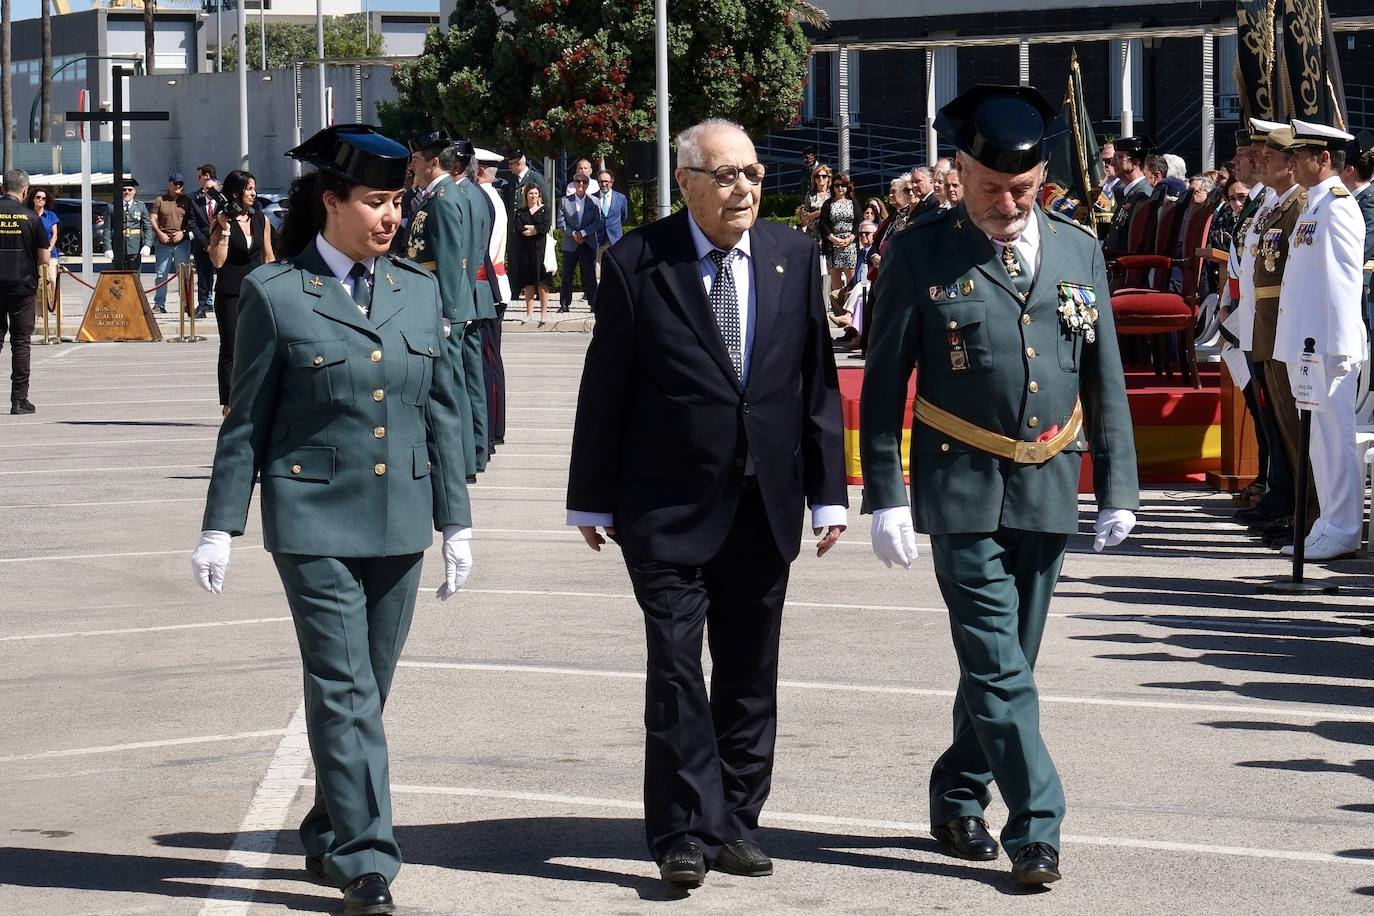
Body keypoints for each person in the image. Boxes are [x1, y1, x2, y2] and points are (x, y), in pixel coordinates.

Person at [860, 84, 1139, 888]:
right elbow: (884, 384)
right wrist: (886, 494)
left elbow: (1102, 373)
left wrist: (1117, 484)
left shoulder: (1079, 247)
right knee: (997, 660)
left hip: (1049, 479)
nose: (1008, 203)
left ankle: (955, 795)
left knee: (1006, 662)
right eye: (991, 189)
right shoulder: (921, 251)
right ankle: (1037, 827)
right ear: (962, 171)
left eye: (1022, 189)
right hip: (960, 485)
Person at [191, 125, 472, 916]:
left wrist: (458, 521)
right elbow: (245, 419)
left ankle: (325, 826)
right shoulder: (277, 294)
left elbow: (442, 412)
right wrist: (222, 524)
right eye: (376, 203)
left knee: (364, 690)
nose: (392, 218)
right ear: (330, 203)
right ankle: (366, 858)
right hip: (312, 519)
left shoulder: (418, 288)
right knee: (344, 684)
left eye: (398, 203)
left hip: (402, 520)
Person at [566, 118, 847, 887]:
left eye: (753, 173)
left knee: (751, 673)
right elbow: (607, 387)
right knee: (678, 670)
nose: (744, 189)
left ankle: (735, 822)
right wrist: (588, 498)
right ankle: (681, 831)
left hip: (766, 502)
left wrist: (831, 494)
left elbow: (815, 382)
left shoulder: (794, 255)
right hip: (663, 507)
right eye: (725, 176)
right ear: (685, 181)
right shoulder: (635, 262)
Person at [1273, 120, 1368, 561]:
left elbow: (1344, 282)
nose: (1292, 162)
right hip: (1308, 341)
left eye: (1299, 156)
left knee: (1335, 435)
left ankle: (1345, 525)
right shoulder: (1315, 205)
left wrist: (1341, 345)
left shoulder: (1338, 206)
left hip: (1328, 344)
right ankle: (1330, 520)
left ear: (1324, 159)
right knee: (1318, 438)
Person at [1237, 121, 1309, 550]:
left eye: (1270, 157)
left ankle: (1296, 506)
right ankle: (1283, 495)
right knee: (1274, 419)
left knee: (1291, 424)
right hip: (1260, 323)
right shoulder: (1270, 207)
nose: (1260, 161)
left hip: (1281, 325)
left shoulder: (1299, 206)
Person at [408, 130, 480, 481]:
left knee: (451, 387)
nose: (412, 166)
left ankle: (461, 463)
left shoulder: (446, 198)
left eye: (416, 160)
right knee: (449, 385)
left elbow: (452, 259)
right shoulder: (436, 196)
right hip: (435, 300)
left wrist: (449, 312)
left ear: (432, 163)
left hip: (444, 305)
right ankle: (460, 460)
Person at [207, 169, 274, 415]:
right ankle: (230, 402)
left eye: (254, 188)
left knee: (261, 344)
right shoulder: (221, 221)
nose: (253, 193)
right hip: (230, 292)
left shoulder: (260, 219)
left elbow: (268, 255)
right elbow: (217, 261)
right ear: (235, 192)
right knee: (232, 346)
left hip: (256, 291)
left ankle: (258, 395)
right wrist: (224, 230)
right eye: (248, 189)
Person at [446, 141, 493, 473]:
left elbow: (458, 254)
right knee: (474, 375)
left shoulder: (461, 195)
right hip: (476, 290)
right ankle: (479, 445)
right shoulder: (477, 194)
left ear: (457, 166)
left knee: (463, 376)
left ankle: (472, 451)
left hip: (464, 292)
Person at [0, 169, 50, 415]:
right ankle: (19, 400)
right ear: (25, 191)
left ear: (2, 189)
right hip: (22, 287)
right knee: (21, 343)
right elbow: (43, 257)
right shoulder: (31, 217)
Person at [475, 148, 511, 452]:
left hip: (488, 286)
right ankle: (495, 426)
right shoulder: (493, 197)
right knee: (492, 360)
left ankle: (490, 427)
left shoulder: (483, 199)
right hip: (495, 283)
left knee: (487, 363)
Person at [1340, 131, 1374, 330]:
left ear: (1350, 170)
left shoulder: (1368, 200)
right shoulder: (1353, 200)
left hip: (1363, 286)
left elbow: (1365, 246)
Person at [557, 174, 601, 313]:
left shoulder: (594, 201)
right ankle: (564, 303)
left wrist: (583, 233)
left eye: (584, 182)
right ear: (574, 183)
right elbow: (561, 222)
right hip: (571, 242)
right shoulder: (565, 201)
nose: (581, 184)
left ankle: (593, 303)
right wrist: (574, 234)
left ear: (588, 184)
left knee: (589, 275)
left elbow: (597, 222)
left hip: (588, 242)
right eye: (578, 181)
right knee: (567, 274)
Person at [151, 172, 193, 314]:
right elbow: (153, 218)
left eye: (180, 184)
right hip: (163, 243)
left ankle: (186, 304)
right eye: (175, 183)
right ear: (169, 184)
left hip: (182, 243)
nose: (178, 186)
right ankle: (159, 304)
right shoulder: (160, 200)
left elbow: (192, 221)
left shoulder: (187, 200)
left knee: (184, 275)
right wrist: (159, 233)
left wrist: (183, 233)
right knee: (161, 275)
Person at [1103, 135, 1153, 253]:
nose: (1113, 163)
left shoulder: (1143, 195)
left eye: (1119, 157)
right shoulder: (1130, 194)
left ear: (1135, 163)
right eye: (1114, 157)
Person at [188, 164, 220, 319]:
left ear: (207, 176)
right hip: (202, 245)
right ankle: (203, 304)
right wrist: (205, 244)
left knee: (222, 274)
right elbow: (193, 223)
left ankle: (217, 302)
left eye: (199, 176)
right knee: (203, 275)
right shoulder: (195, 198)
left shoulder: (222, 198)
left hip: (221, 243)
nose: (198, 180)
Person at [819, 172, 858, 295]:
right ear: (833, 187)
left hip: (850, 245)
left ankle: (850, 310)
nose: (840, 188)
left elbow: (858, 222)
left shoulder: (853, 202)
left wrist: (850, 238)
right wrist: (833, 239)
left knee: (851, 278)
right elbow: (823, 223)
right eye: (837, 185)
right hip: (833, 245)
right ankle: (838, 309)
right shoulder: (828, 204)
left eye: (843, 185)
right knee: (835, 281)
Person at [104, 176, 153, 266]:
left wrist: (147, 245)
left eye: (130, 190)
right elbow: (107, 229)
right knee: (118, 278)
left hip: (135, 248)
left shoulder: (140, 207)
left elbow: (148, 228)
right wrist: (108, 247)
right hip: (118, 248)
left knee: (134, 278)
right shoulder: (112, 207)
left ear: (134, 191)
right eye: (124, 190)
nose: (127, 192)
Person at [24, 185, 58, 303]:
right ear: (33, 198)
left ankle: (57, 310)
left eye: (43, 198)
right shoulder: (27, 215)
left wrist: (49, 248)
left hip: (50, 254)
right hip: (33, 256)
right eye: (38, 197)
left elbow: (54, 234)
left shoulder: (51, 215)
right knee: (38, 285)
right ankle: (40, 314)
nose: (40, 200)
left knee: (53, 280)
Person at [592, 168, 630, 274]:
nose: (604, 184)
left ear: (612, 182)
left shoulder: (621, 198)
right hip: (597, 239)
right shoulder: (591, 198)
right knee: (597, 270)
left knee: (616, 269)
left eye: (606, 181)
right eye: (601, 181)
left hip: (615, 239)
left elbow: (624, 216)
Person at [796, 164, 832, 253]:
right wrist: (820, 211)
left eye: (824, 176)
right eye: (817, 176)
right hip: (814, 234)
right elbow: (805, 217)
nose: (821, 179)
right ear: (814, 179)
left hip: (831, 235)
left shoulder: (832, 195)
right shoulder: (810, 195)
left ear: (828, 178)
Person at [504, 148, 550, 217]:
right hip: (514, 224)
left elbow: (545, 201)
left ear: (519, 164)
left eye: (511, 164)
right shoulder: (512, 179)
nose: (509, 167)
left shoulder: (535, 178)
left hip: (530, 222)